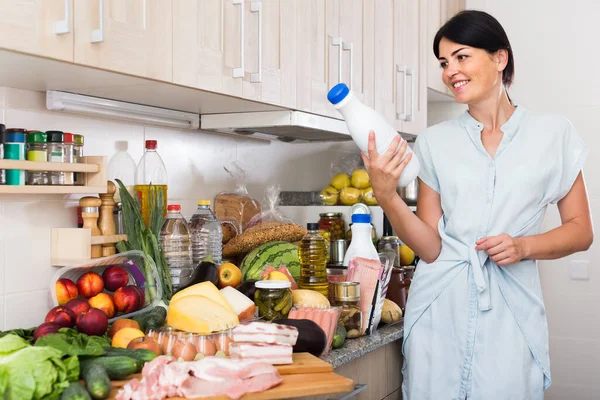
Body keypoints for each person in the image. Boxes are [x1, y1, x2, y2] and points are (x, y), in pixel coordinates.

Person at [362, 10, 593, 400]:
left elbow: (580, 230)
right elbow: (431, 247)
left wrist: (523, 247)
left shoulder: (554, 134)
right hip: (439, 306)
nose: (450, 70)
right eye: (443, 62)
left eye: (462, 56)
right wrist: (387, 196)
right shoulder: (435, 142)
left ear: (499, 59)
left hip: (512, 310)